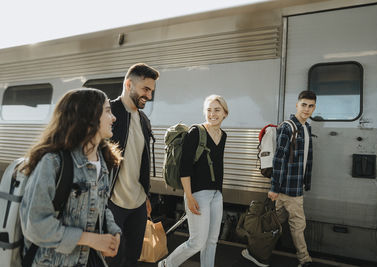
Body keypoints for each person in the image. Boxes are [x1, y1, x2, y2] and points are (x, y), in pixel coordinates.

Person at [19, 88, 123, 267]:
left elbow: (101, 207)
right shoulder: (54, 162)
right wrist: (90, 239)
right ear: (88, 116)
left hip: (90, 260)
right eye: (107, 111)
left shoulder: (104, 161)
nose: (113, 118)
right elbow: (35, 225)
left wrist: (114, 234)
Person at [158, 94, 229, 267]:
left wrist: (218, 192)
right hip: (198, 193)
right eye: (209, 110)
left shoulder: (223, 135)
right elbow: (185, 167)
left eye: (217, 110)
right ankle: (167, 264)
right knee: (197, 242)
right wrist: (189, 196)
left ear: (225, 113)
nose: (212, 114)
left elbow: (217, 166)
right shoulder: (196, 132)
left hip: (216, 194)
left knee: (212, 241)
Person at [107, 63, 160, 267]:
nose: (149, 95)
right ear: (129, 84)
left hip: (137, 204)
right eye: (145, 89)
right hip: (113, 202)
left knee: (133, 259)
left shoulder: (144, 120)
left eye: (151, 91)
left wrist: (145, 195)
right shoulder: (108, 113)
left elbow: (141, 162)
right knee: (112, 259)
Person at [268, 90, 317, 267]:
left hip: (292, 185)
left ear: (314, 108)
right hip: (289, 187)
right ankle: (305, 260)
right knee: (298, 224)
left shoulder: (306, 127)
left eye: (311, 106)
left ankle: (256, 250)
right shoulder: (287, 127)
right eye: (303, 105)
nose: (307, 109)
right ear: (297, 105)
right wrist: (274, 187)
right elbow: (279, 158)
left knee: (274, 224)